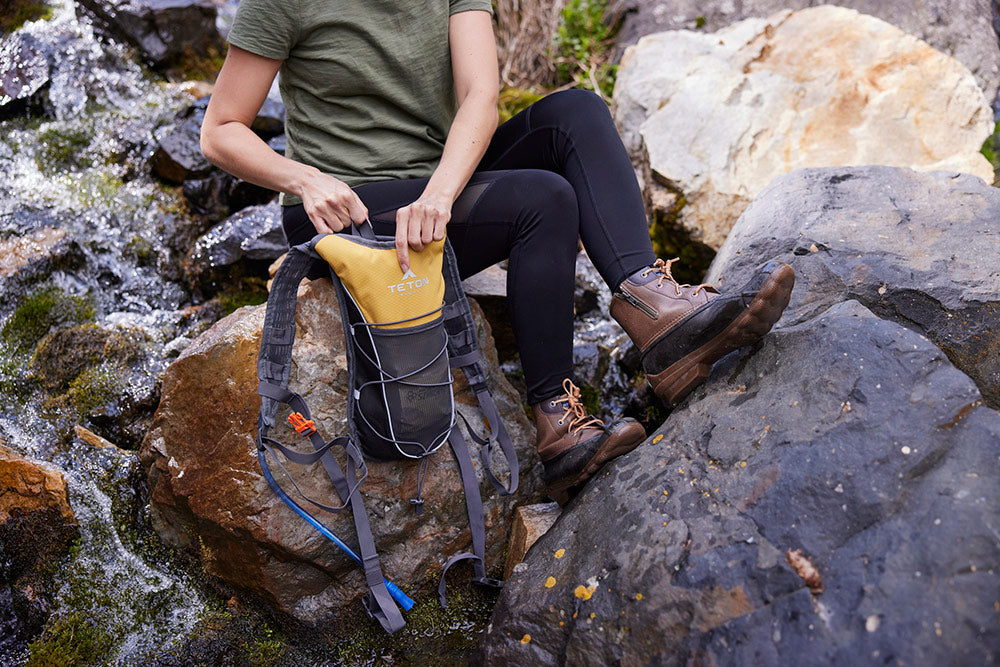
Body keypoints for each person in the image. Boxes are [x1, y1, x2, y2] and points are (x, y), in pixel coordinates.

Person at [200, 0, 794, 502]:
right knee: (543, 200)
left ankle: (655, 309)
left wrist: (440, 194)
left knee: (576, 114)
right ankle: (558, 427)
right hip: (346, 206)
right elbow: (222, 128)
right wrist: (303, 180)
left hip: (437, 184)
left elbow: (480, 96)